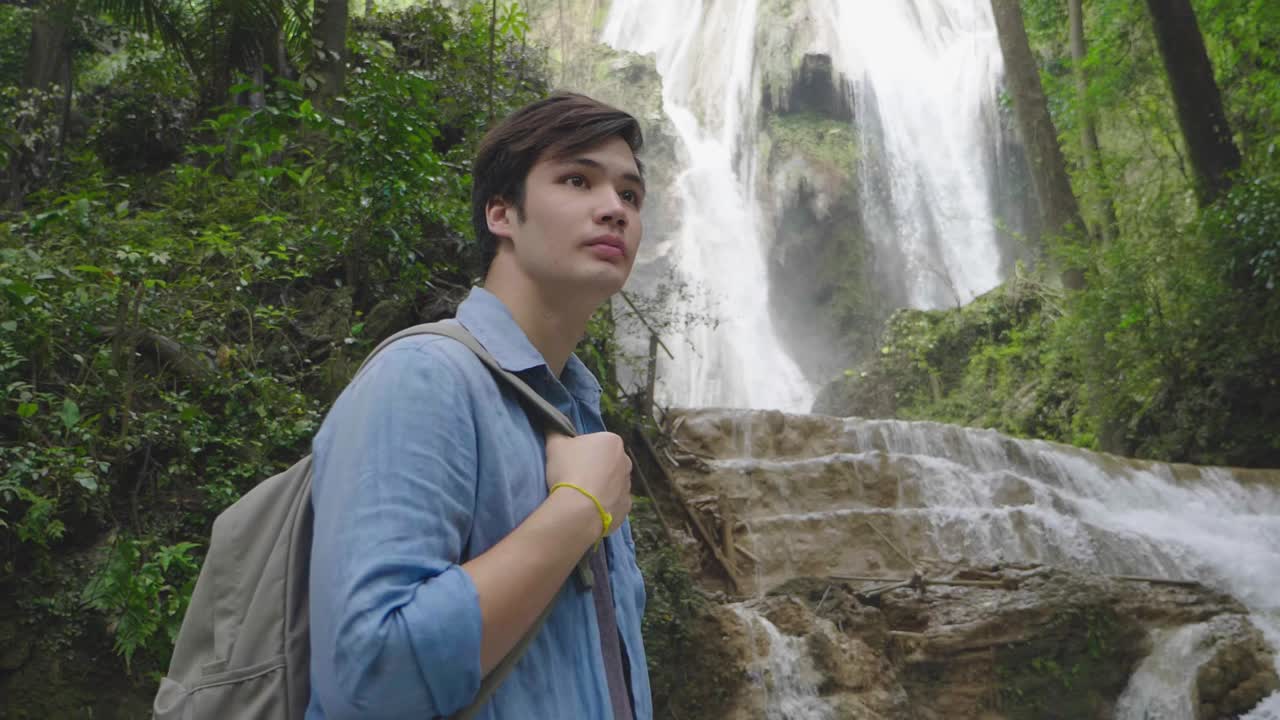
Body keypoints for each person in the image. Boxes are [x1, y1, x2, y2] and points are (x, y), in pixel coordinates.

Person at [304, 92, 653, 720]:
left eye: (630, 194)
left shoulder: (579, 417)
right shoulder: (423, 378)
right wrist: (578, 510)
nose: (614, 209)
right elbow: (368, 675)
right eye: (577, 180)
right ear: (502, 213)